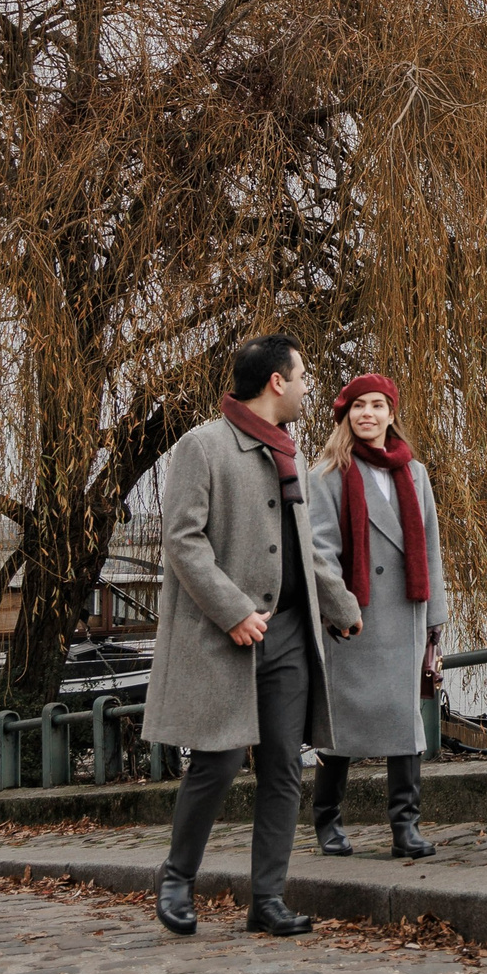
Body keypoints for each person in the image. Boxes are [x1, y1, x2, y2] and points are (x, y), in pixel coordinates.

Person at [141, 334, 362, 938]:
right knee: (216, 761)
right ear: (275, 383)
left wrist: (341, 605)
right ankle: (177, 878)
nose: (308, 385)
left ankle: (267, 899)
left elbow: (307, 549)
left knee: (285, 770)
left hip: (290, 635)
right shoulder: (202, 447)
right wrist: (234, 611)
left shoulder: (289, 452)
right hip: (226, 638)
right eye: (302, 374)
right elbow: (184, 542)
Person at [304, 372, 448, 859]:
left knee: (406, 722)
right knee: (339, 725)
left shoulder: (416, 473)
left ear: (391, 413)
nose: (368, 414)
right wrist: (341, 609)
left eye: (377, 406)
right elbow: (318, 552)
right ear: (345, 415)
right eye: (358, 406)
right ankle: (327, 821)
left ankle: (405, 826)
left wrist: (435, 618)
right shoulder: (326, 474)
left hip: (404, 616)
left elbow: (429, 549)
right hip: (352, 621)